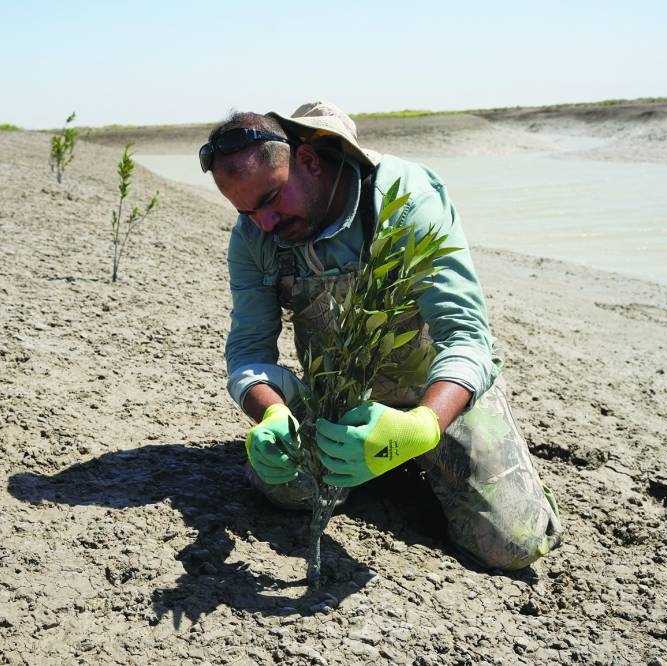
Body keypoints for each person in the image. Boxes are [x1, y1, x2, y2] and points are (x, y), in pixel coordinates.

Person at [200, 101, 561, 570]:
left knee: (512, 544)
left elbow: (466, 338)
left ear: (308, 161)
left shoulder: (405, 200)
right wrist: (270, 415)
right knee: (286, 491)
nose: (263, 224)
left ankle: (439, 463)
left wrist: (421, 427)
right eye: (246, 211)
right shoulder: (254, 235)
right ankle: (374, 465)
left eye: (269, 201)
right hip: (339, 397)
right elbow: (249, 350)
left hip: (436, 392)